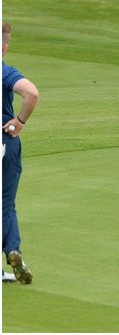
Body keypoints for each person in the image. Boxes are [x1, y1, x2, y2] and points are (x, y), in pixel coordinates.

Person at [3, 22, 40, 285]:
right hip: (5, 141)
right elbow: (32, 93)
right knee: (5, 202)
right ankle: (13, 250)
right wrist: (21, 121)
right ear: (4, 46)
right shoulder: (5, 72)